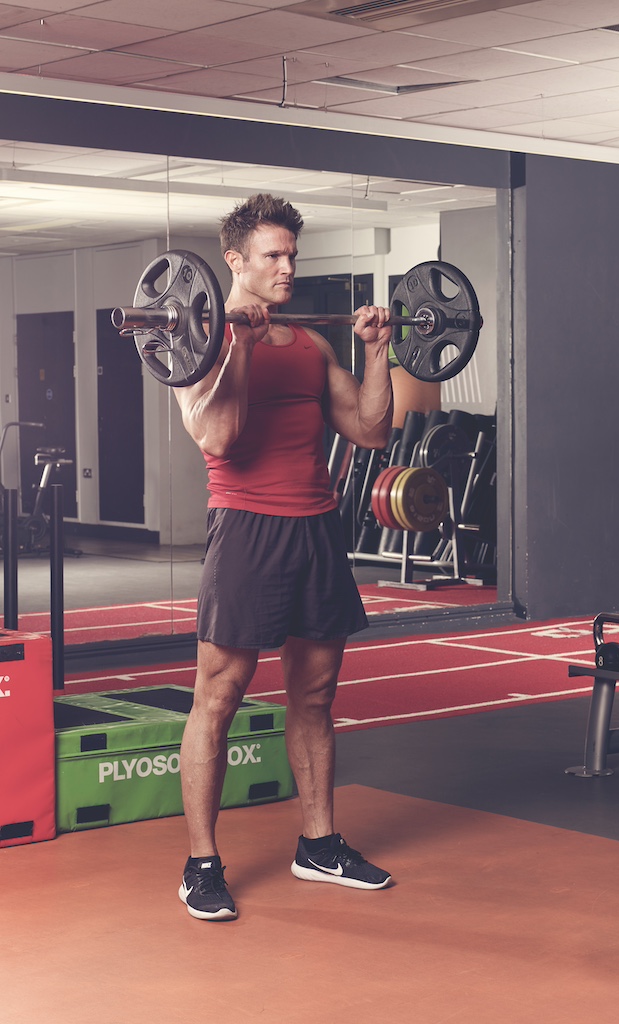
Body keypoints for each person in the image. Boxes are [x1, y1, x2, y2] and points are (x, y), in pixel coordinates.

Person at [173, 194, 395, 921]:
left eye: (292, 254)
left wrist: (375, 352)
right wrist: (237, 344)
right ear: (234, 261)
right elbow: (221, 439)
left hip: (317, 530)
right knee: (221, 696)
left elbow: (369, 431)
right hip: (245, 532)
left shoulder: (309, 345)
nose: (287, 267)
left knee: (316, 694)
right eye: (273, 255)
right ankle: (201, 864)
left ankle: (318, 844)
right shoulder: (194, 345)